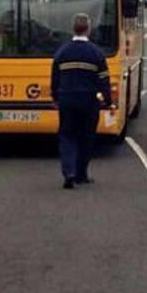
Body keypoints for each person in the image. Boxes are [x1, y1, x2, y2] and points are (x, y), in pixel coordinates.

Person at [50, 13, 113, 189]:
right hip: (89, 102)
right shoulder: (96, 53)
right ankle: (81, 174)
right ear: (88, 29)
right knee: (86, 137)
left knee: (67, 136)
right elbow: (104, 81)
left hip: (67, 100)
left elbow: (55, 79)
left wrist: (55, 98)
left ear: (73, 29)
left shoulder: (62, 52)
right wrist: (107, 101)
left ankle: (68, 172)